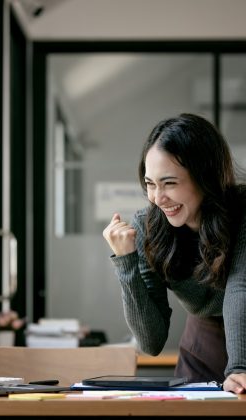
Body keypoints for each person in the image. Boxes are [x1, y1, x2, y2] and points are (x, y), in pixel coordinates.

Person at [103, 113, 246, 394]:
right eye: (150, 183)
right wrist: (126, 263)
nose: (158, 198)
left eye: (169, 183)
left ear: (205, 177)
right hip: (202, 351)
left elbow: (239, 287)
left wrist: (240, 368)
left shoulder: (242, 211)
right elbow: (151, 342)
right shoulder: (148, 227)